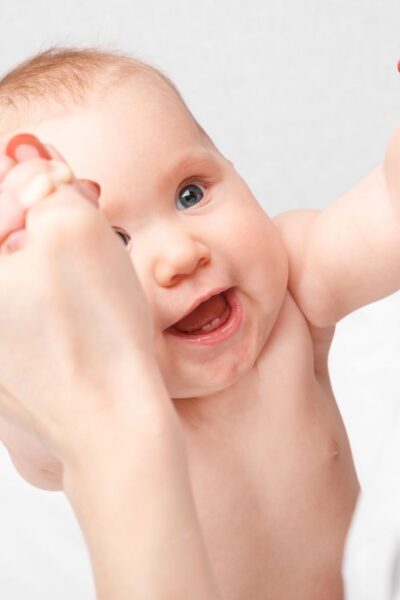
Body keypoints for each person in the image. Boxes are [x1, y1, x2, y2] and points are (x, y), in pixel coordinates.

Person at [0, 44, 398, 599]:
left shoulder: (290, 292)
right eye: (113, 243)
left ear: (233, 168)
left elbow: (389, 213)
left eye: (190, 194)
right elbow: (29, 397)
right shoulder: (92, 393)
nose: (181, 255)